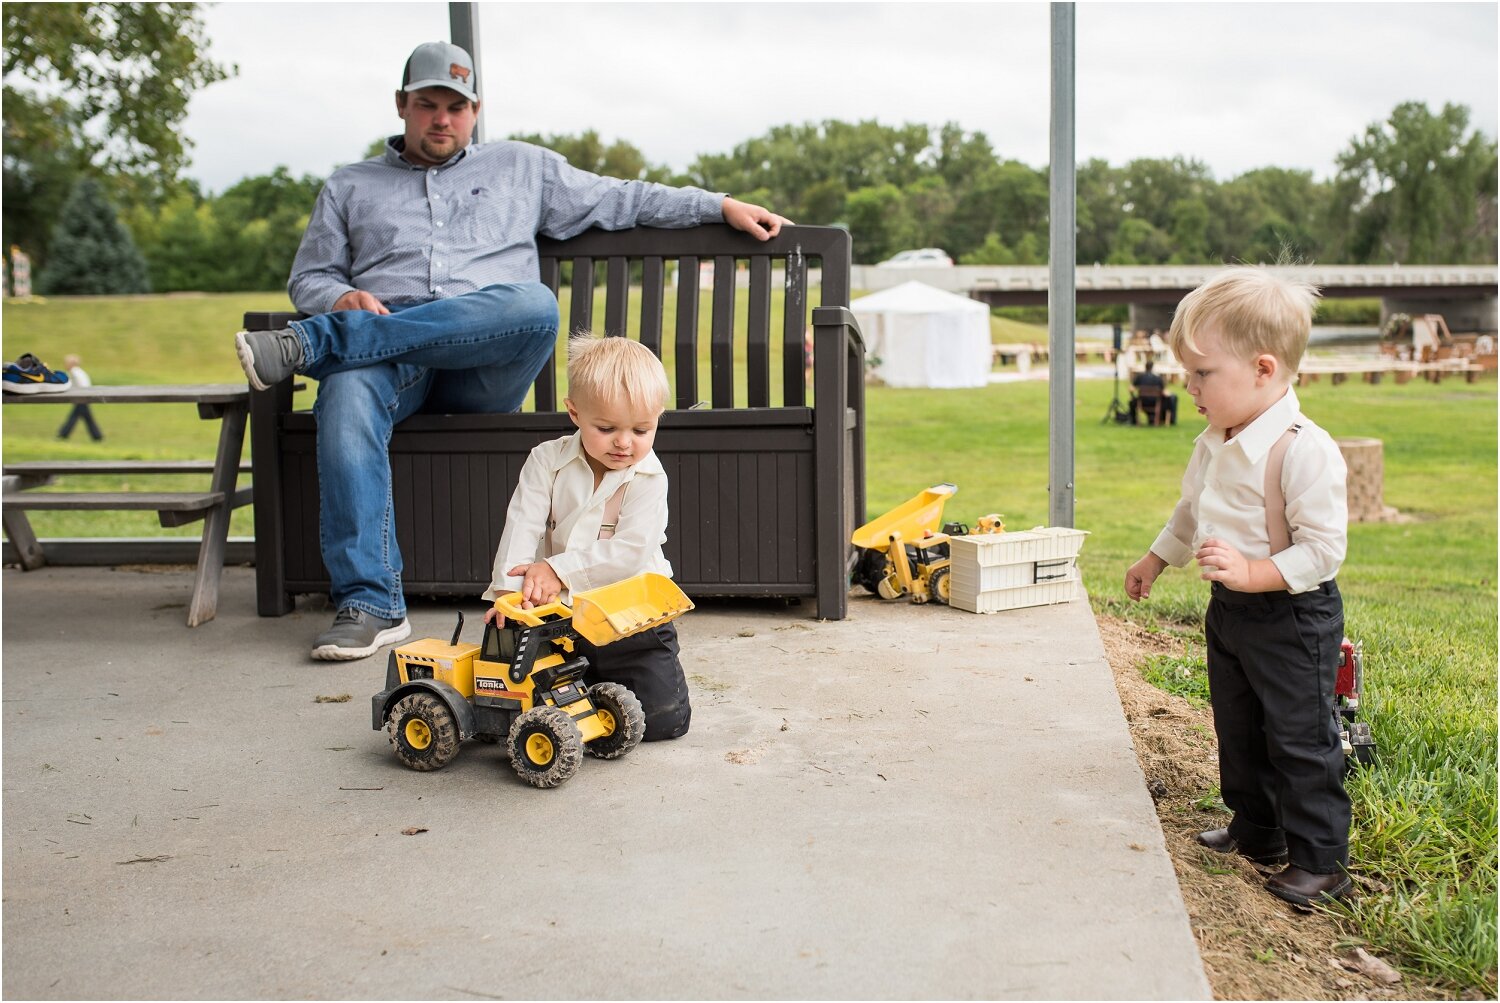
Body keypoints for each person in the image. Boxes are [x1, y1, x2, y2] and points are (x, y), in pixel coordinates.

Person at [233, 41, 790, 661]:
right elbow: (309, 278)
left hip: (484, 364)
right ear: (402, 105)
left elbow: (622, 197)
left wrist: (716, 205)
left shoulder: (523, 169)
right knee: (344, 388)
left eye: (456, 106)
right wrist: (340, 297)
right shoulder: (349, 185)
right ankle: (370, 604)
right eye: (427, 104)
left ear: (475, 111)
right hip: (393, 367)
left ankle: (315, 345)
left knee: (532, 304)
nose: (441, 118)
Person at [1123, 267, 1352, 909]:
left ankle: (1323, 860)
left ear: (1262, 368)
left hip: (1292, 616)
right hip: (1230, 614)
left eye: (1202, 373)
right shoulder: (1215, 442)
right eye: (1187, 372)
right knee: (1239, 724)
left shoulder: (1302, 450)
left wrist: (1254, 572)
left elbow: (1323, 550)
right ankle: (1258, 828)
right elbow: (1190, 514)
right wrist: (1156, 559)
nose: (1186, 386)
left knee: (1300, 736)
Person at [482, 333, 689, 740]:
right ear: (575, 413)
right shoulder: (547, 460)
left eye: (642, 429)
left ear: (658, 418)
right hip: (558, 617)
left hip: (629, 620)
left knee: (662, 720)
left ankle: (599, 688)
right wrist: (507, 594)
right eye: (607, 427)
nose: (625, 442)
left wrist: (557, 569)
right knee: (518, 709)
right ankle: (581, 692)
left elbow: (629, 552)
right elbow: (521, 526)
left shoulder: (649, 476)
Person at [56, 354, 103, 441]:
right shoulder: (79, 371)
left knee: (74, 417)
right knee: (85, 417)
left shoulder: (74, 372)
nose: (65, 365)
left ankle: (63, 434)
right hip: (84, 397)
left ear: (71, 363)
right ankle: (97, 436)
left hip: (81, 398)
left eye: (67, 363)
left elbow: (80, 385)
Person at [1129, 358, 1177, 425]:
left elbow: (1131, 389)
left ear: (1145, 367)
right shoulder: (1158, 378)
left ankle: (1133, 421)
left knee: (1131, 401)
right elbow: (1165, 393)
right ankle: (1170, 420)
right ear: (1152, 367)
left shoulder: (1139, 377)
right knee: (1172, 398)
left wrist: (1132, 396)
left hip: (1142, 402)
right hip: (1156, 402)